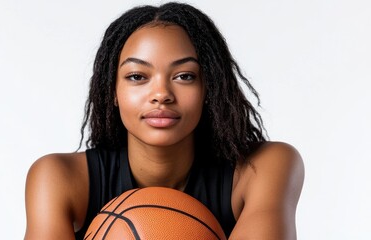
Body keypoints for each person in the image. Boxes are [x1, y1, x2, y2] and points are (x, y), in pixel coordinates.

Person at [24, 2, 304, 240]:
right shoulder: (60, 178)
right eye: (137, 77)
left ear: (209, 89)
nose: (161, 95)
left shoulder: (263, 168)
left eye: (184, 76)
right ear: (112, 91)